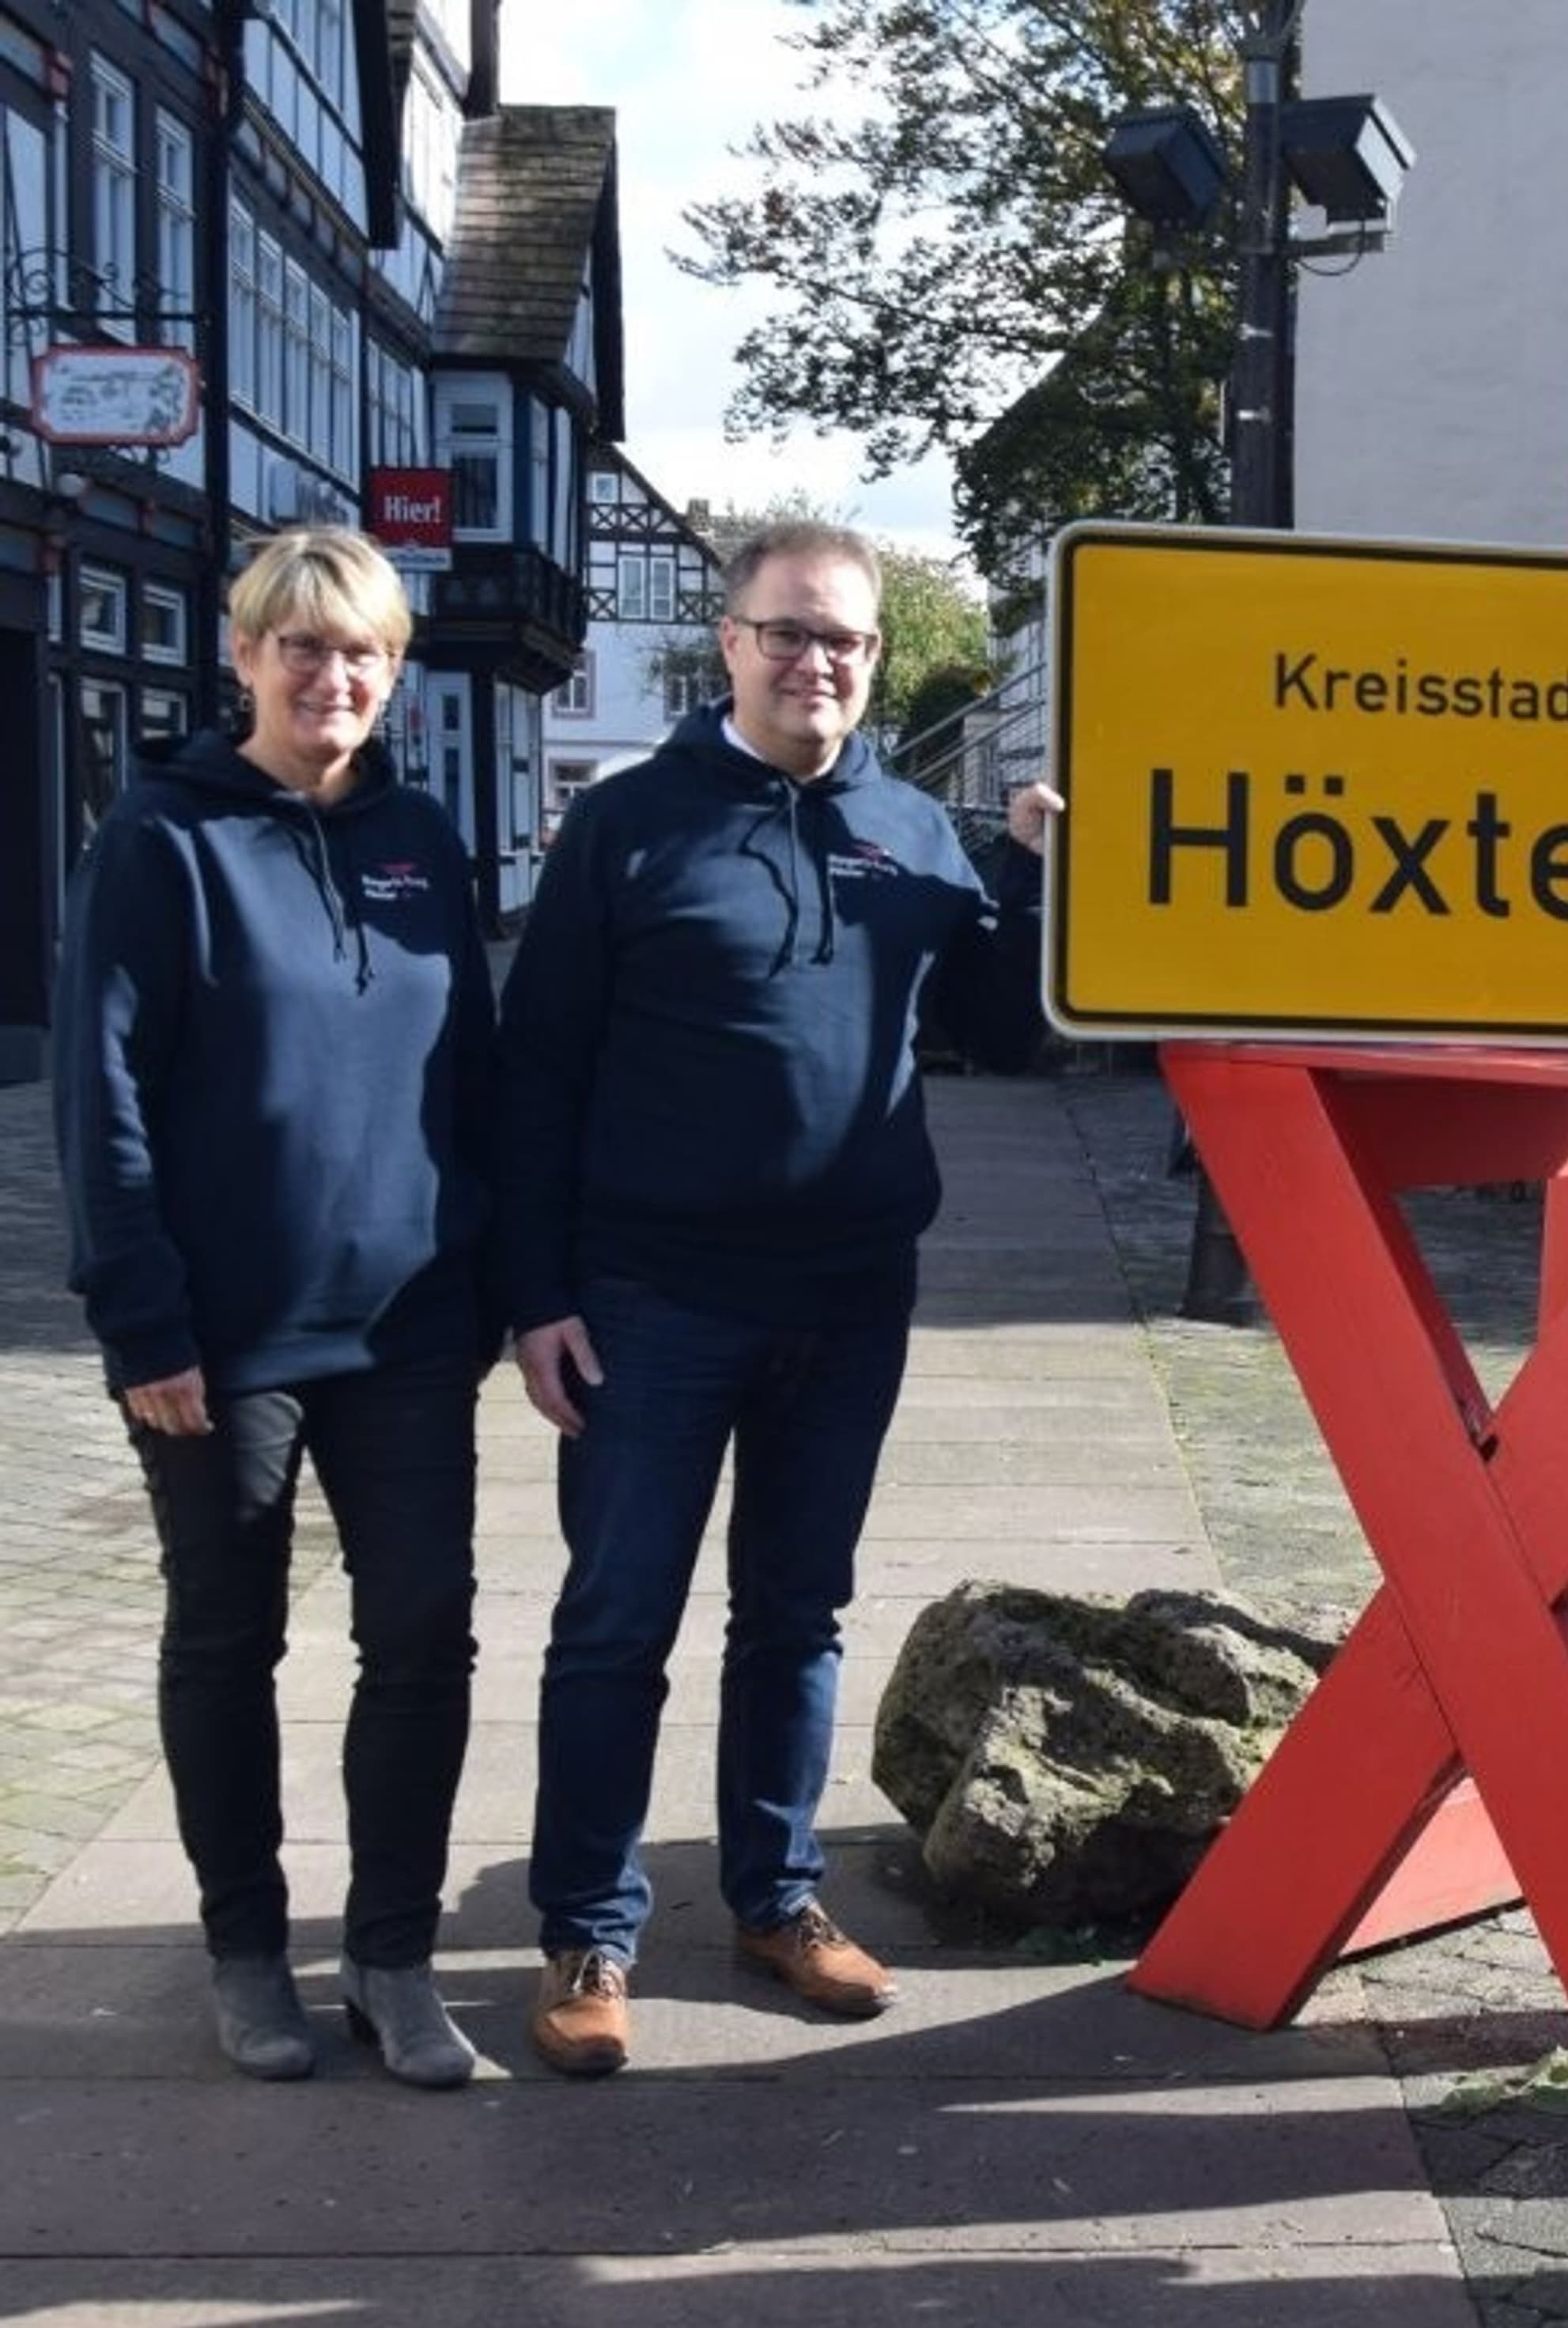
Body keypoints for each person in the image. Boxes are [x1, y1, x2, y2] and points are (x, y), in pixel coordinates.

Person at [495, 519, 1055, 2079]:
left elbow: (1004, 1033)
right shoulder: (630, 826)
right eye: (789, 632)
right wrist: (534, 1292)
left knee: (797, 1614)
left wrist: (1024, 865)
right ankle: (587, 1930)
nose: (819, 661)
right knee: (616, 1621)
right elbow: (535, 1072)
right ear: (731, 643)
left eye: (847, 640)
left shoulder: (916, 833)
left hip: (850, 1297)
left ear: (875, 659)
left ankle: (776, 1898)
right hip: (651, 1300)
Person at [56, 527, 495, 2090]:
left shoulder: (422, 839)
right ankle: (247, 1948)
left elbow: (475, 1075)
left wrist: (495, 1282)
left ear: (395, 670)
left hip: (408, 1330)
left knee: (425, 1632)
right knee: (226, 1635)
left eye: (361, 649)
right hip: (225, 1341)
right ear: (244, 655)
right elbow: (102, 1094)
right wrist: (144, 1319)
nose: (332, 676)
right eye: (301, 646)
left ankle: (392, 1952)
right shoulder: (163, 840)